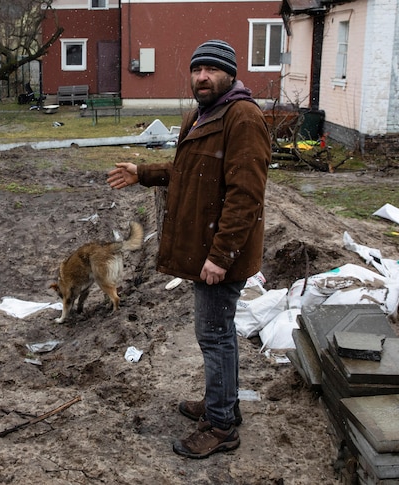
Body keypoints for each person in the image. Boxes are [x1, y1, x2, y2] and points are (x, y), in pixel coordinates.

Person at [107, 39, 270, 459]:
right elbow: (189, 171)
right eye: (197, 69)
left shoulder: (243, 118)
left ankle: (221, 426)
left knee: (215, 338)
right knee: (216, 336)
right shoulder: (203, 115)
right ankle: (223, 405)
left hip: (219, 253)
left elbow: (245, 195)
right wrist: (142, 173)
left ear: (230, 75)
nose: (202, 77)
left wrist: (220, 255)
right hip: (208, 248)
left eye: (212, 70)